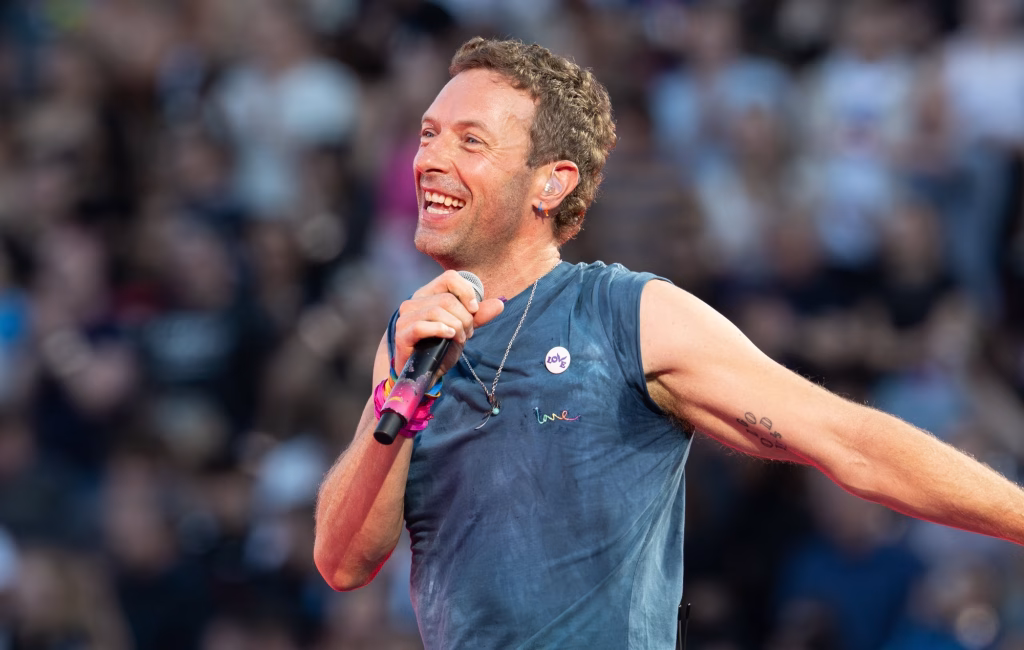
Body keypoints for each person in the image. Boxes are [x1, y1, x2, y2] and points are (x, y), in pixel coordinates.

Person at [313, 37, 1024, 649]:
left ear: (551, 183)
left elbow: (848, 440)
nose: (429, 159)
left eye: (470, 140)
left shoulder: (627, 314)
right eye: (428, 134)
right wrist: (395, 391)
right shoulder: (413, 345)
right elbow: (343, 562)